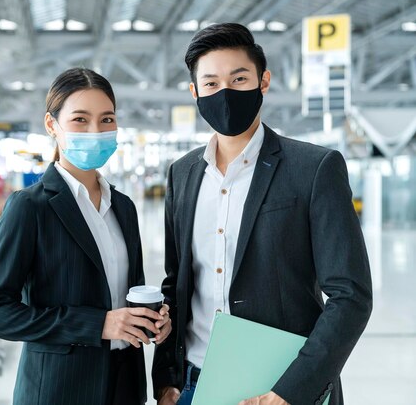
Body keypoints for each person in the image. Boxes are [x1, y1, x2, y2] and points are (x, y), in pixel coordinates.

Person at [152, 23, 373, 405]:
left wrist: (290, 392)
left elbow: (350, 295)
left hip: (282, 385)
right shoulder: (183, 173)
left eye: (239, 79)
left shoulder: (313, 168)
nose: (224, 94)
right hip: (194, 384)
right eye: (211, 84)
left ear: (263, 81)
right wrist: (165, 379)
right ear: (195, 92)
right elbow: (178, 283)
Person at [0, 67, 172, 405]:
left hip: (125, 386)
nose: (96, 131)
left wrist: (153, 319)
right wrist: (97, 325)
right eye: (80, 120)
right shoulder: (29, 208)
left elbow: (133, 293)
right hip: (58, 389)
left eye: (107, 120)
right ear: (52, 125)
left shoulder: (123, 207)